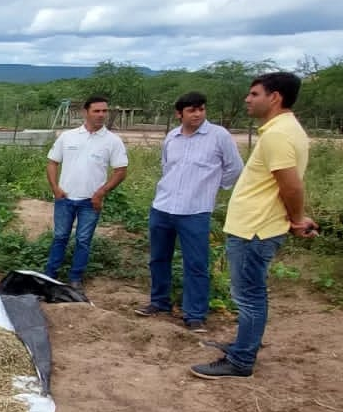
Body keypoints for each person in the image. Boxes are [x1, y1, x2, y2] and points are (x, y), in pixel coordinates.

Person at [191, 71, 317, 379]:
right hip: (259, 225)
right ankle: (244, 346)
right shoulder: (286, 130)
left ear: (275, 97)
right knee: (250, 294)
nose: (247, 99)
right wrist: (293, 218)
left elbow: (291, 186)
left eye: (254, 94)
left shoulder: (277, 134)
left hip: (255, 230)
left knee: (249, 296)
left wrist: (297, 219)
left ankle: (241, 360)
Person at [133, 92, 243, 332]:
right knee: (158, 259)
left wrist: (211, 187)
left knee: (196, 264)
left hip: (195, 210)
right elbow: (166, 167)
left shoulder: (218, 136)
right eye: (192, 110)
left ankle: (195, 314)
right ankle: (159, 302)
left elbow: (235, 168)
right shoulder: (171, 137)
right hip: (163, 207)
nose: (197, 114)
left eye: (201, 109)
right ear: (179, 114)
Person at [43, 95, 129, 290]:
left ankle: (75, 278)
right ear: (85, 112)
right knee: (60, 237)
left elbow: (121, 171)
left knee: (83, 240)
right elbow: (52, 163)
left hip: (90, 202)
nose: (101, 115)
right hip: (65, 198)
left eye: (104, 111)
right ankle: (50, 275)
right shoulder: (68, 136)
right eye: (96, 111)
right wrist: (55, 188)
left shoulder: (112, 141)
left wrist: (101, 192)